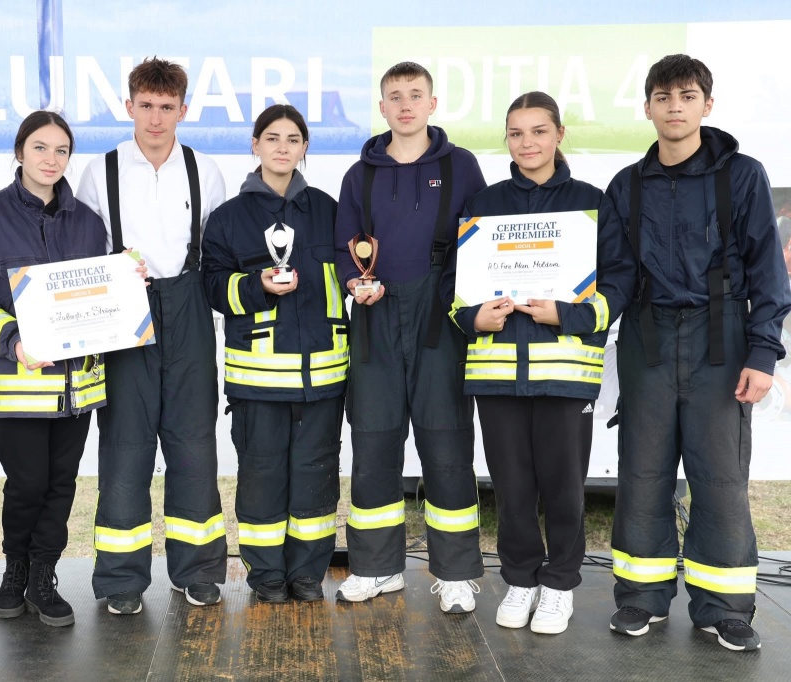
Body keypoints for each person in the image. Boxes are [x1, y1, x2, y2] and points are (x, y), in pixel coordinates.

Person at [603, 54, 791, 651]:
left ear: (707, 104)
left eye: (687, 96)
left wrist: (763, 353)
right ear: (648, 108)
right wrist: (579, 315)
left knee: (720, 477)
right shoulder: (626, 185)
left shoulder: (743, 175)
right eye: (663, 97)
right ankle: (641, 598)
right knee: (643, 473)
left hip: (722, 337)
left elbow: (768, 272)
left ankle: (724, 608)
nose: (675, 107)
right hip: (647, 337)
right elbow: (614, 274)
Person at [445, 92, 634, 634]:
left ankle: (559, 585)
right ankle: (521, 579)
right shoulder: (484, 204)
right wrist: (473, 318)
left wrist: (568, 315)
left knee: (564, 489)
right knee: (511, 489)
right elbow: (454, 288)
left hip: (565, 375)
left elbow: (620, 280)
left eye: (538, 131)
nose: (527, 142)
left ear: (559, 134)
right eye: (516, 133)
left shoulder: (591, 202)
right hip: (497, 375)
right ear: (506, 139)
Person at [0, 111, 114, 627]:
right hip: (21, 385)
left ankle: (44, 577)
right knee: (25, 485)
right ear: (20, 152)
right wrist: (14, 341)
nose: (51, 159)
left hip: (76, 386)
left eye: (61, 150)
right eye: (40, 147)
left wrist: (126, 284)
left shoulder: (89, 223)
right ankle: (13, 572)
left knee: (61, 484)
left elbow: (102, 295)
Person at [76, 57, 227, 615]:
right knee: (125, 447)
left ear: (183, 110)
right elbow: (84, 253)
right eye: (146, 106)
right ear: (129, 106)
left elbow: (215, 251)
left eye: (167, 107)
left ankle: (199, 571)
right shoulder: (101, 171)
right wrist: (114, 273)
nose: (156, 118)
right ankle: (121, 579)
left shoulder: (205, 170)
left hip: (188, 309)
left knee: (194, 445)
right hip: (126, 315)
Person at [333, 61, 487, 611]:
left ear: (432, 104)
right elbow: (344, 248)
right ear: (382, 107)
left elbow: (482, 242)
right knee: (374, 442)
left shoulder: (461, 166)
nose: (405, 105)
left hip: (439, 318)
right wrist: (354, 281)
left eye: (415, 95)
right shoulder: (360, 174)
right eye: (395, 96)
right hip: (375, 319)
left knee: (447, 443)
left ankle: (457, 574)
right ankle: (376, 568)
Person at [201, 104, 345, 603]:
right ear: (255, 144)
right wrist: (257, 286)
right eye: (272, 138)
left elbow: (355, 273)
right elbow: (213, 287)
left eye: (293, 139)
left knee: (315, 480)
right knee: (261, 481)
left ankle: (307, 573)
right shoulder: (228, 218)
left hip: (323, 378)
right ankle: (265, 575)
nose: (282, 147)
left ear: (305, 147)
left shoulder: (329, 210)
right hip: (257, 380)